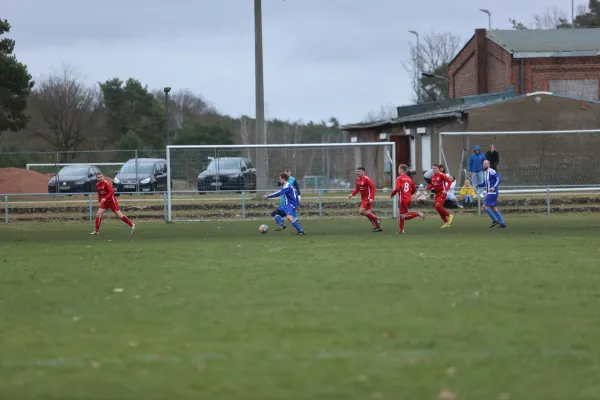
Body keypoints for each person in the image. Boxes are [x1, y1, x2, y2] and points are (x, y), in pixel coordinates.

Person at [390, 164, 424, 234]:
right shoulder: (409, 179)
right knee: (401, 214)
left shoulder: (399, 178)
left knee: (403, 216)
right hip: (408, 198)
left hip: (403, 199)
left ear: (401, 170)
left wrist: (392, 194)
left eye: (399, 169)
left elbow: (397, 188)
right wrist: (409, 193)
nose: (398, 170)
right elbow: (414, 189)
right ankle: (401, 230)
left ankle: (417, 214)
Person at [348, 167, 382, 232]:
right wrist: (352, 194)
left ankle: (376, 218)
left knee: (361, 211)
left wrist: (371, 198)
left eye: (360, 171)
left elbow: (373, 188)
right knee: (368, 214)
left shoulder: (367, 179)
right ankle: (378, 227)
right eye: (357, 171)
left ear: (363, 172)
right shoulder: (358, 179)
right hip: (363, 198)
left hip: (368, 198)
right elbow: (357, 188)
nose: (358, 173)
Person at [475, 160, 506, 228]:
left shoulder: (491, 171)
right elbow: (485, 183)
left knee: (484, 206)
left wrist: (494, 187)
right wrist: (479, 185)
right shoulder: (485, 172)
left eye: (485, 164)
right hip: (490, 192)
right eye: (483, 164)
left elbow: (499, 179)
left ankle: (495, 220)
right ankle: (502, 223)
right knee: (493, 208)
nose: (484, 165)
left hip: (493, 192)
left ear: (489, 165)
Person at [425, 164, 454, 228]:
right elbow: (432, 185)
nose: (434, 169)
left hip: (442, 193)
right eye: (433, 168)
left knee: (438, 206)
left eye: (435, 168)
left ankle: (449, 215)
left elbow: (449, 182)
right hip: (437, 194)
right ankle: (446, 223)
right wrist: (427, 188)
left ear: (438, 169)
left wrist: (446, 190)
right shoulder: (432, 176)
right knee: (437, 208)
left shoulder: (442, 175)